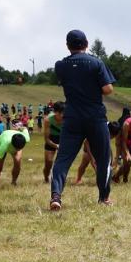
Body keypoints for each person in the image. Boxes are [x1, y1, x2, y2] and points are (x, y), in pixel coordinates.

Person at [50, 29, 116, 211]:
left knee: (63, 159)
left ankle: (56, 196)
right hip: (95, 116)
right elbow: (108, 89)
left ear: (67, 45)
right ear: (86, 44)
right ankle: (103, 197)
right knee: (103, 158)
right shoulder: (96, 63)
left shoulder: (60, 66)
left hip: (72, 117)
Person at [43, 101, 65, 183]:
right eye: (61, 114)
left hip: (63, 138)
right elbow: (47, 139)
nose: (63, 116)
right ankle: (46, 178)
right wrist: (56, 146)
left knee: (62, 163)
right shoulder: (48, 120)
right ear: (55, 112)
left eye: (64, 113)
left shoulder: (68, 118)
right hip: (52, 139)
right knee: (48, 162)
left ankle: (59, 180)